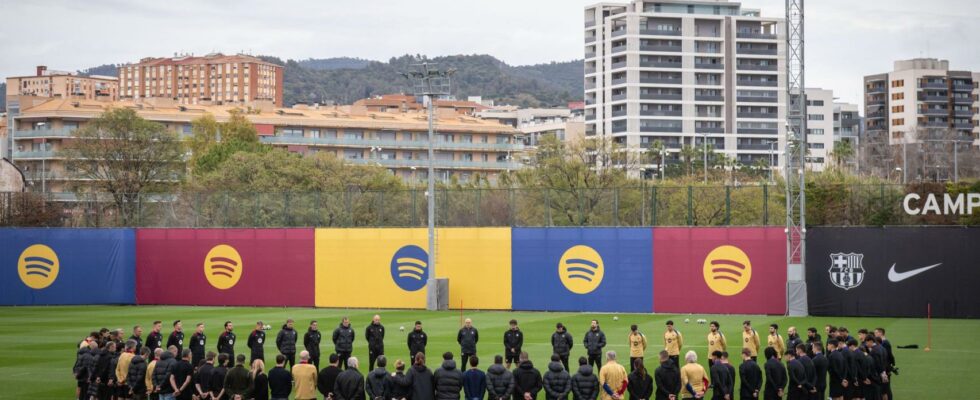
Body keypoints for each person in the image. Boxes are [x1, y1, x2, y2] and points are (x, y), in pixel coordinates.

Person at [873, 328, 894, 400]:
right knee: (884, 388)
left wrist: (889, 366)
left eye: (876, 332)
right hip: (885, 368)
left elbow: (889, 356)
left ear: (881, 333)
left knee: (886, 388)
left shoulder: (885, 343)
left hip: (885, 368)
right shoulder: (884, 342)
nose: (874, 334)